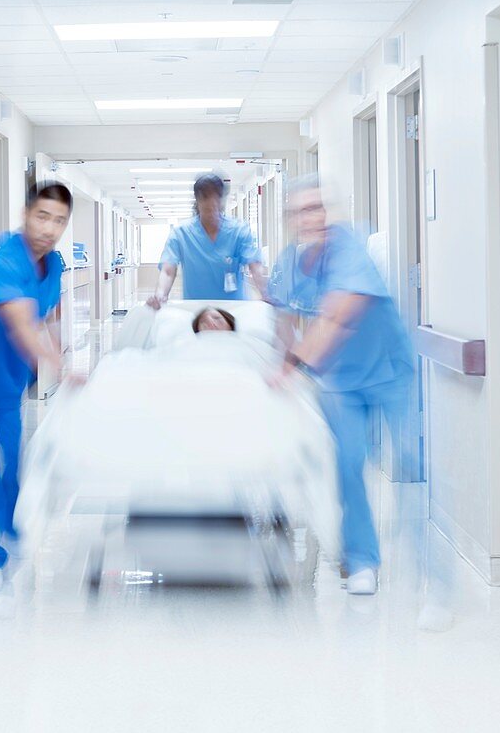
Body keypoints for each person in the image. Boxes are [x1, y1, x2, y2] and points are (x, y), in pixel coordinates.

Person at [267, 176, 414, 596]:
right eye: (301, 211)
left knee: (413, 465)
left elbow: (337, 315)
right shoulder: (289, 263)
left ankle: (427, 573)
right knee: (349, 464)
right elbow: (281, 319)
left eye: (317, 208)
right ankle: (363, 559)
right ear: (290, 220)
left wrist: (292, 366)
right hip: (338, 380)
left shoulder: (349, 248)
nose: (311, 218)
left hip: (388, 371)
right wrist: (285, 359)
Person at [0, 182, 82, 593]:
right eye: (42, 216)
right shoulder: (2, 263)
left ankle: (6, 522)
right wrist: (64, 370)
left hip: (8, 382)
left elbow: (49, 316)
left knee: (10, 461)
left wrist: (62, 350)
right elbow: (24, 329)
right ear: (25, 215)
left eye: (59, 221)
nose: (49, 228)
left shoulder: (54, 264)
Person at [147, 173, 268, 307]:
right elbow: (168, 270)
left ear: (222, 199)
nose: (211, 202)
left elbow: (255, 265)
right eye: (205, 197)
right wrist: (160, 295)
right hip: (196, 312)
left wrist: (266, 293)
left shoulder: (238, 231)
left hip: (234, 311)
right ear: (197, 200)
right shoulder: (181, 233)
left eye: (216, 196)